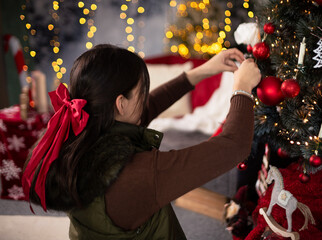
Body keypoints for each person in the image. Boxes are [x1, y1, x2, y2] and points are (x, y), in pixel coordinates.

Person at [22, 44, 261, 240]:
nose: (145, 97)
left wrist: (202, 71)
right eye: (141, 92)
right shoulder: (142, 173)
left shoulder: (77, 137)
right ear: (120, 103)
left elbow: (144, 110)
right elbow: (234, 146)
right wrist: (242, 89)